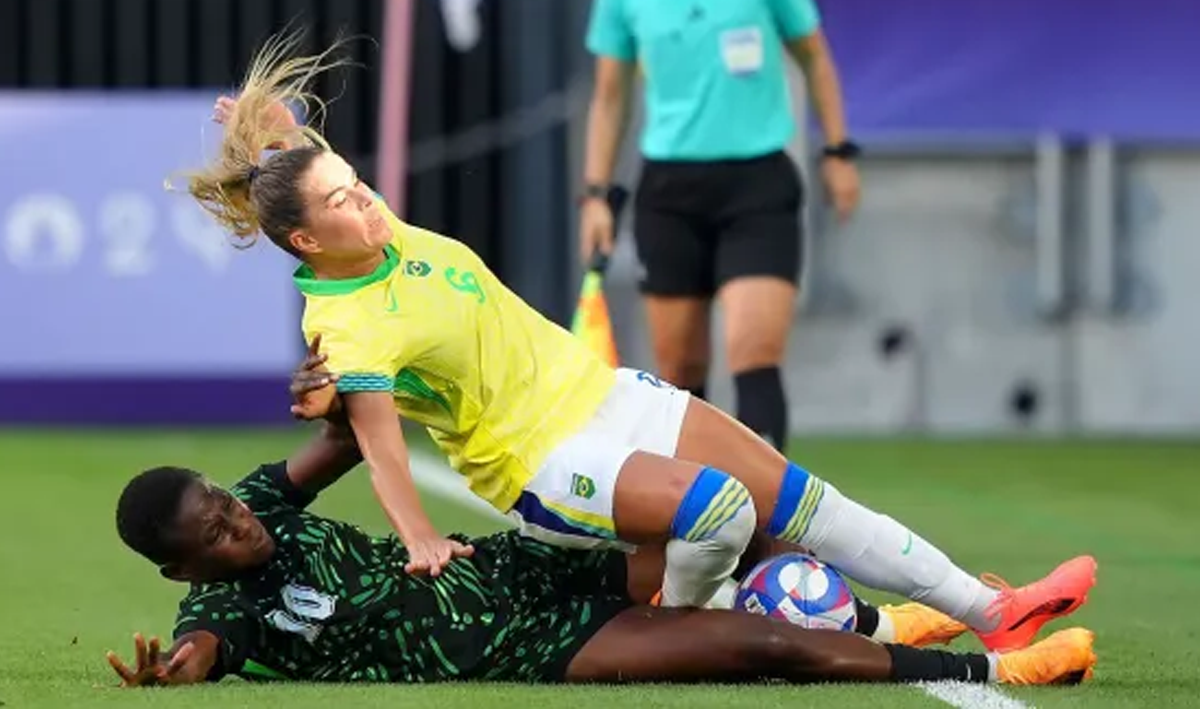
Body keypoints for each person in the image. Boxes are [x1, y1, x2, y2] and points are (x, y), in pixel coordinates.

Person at [178, 29, 1095, 652]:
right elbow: (379, 447)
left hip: (609, 396)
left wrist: (274, 137)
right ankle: (688, 633)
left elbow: (303, 169)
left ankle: (995, 611)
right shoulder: (343, 321)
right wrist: (419, 538)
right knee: (722, 512)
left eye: (355, 182)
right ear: (305, 241)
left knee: (803, 500)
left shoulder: (382, 233)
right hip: (539, 459)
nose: (364, 197)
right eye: (340, 199)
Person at [105, 419, 1097, 687]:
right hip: (540, 650)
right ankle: (1000, 664)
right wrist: (169, 678)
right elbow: (193, 663)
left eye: (224, 503)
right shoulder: (218, 618)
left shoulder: (265, 498)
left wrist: (335, 388)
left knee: (737, 521)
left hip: (523, 569)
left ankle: (926, 608)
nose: (240, 522)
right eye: (215, 535)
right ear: (185, 572)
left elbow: (340, 436)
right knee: (761, 650)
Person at [579, 0, 858, 450]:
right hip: (669, 192)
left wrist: (839, 150)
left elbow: (814, 57)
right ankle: (703, 527)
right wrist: (595, 196)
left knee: (753, 353)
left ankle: (767, 527)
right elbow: (610, 97)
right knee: (679, 374)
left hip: (758, 184)